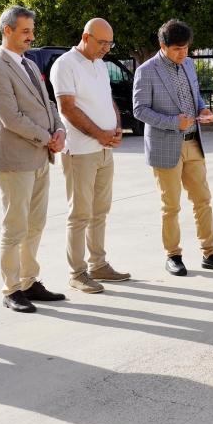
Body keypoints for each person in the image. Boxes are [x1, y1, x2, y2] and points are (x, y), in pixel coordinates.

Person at [132, 19, 213, 277]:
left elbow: (195, 95)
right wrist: (172, 122)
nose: (183, 53)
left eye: (186, 48)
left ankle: (210, 252)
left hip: (193, 142)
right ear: (162, 45)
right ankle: (173, 255)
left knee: (203, 200)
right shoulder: (147, 70)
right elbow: (139, 110)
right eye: (177, 48)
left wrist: (203, 109)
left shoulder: (189, 64)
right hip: (165, 145)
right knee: (171, 205)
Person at [0, 6, 67, 313]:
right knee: (15, 226)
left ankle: (30, 281)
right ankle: (11, 288)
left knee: (36, 225)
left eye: (32, 30)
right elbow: (10, 118)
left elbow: (48, 104)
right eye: (25, 31)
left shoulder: (29, 65)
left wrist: (59, 130)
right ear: (7, 31)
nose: (31, 36)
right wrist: (48, 138)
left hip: (41, 157)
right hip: (15, 160)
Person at [49, 18, 130, 294]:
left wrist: (117, 127)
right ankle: (77, 272)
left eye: (110, 43)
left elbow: (108, 102)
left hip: (105, 149)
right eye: (101, 42)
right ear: (86, 36)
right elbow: (68, 108)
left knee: (100, 211)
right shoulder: (65, 65)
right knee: (80, 214)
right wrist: (98, 133)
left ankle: (98, 264)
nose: (106, 48)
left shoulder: (99, 65)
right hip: (81, 152)